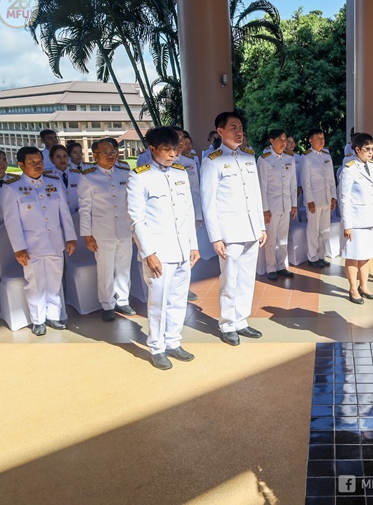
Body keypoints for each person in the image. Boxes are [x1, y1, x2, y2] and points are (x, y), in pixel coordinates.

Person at [127, 127, 199, 369]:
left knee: (179, 300)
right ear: (152, 150)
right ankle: (157, 347)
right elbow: (136, 220)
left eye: (174, 149)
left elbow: (187, 212)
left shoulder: (180, 173)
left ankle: (173, 341)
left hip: (181, 251)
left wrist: (193, 245)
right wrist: (149, 254)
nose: (172, 155)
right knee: (158, 302)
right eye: (166, 150)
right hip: (158, 252)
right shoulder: (140, 176)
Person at [200, 112, 266, 346]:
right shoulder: (212, 161)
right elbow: (208, 202)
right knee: (229, 279)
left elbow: (256, 195)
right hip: (229, 233)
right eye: (233, 127)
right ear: (220, 132)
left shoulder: (249, 157)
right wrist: (215, 237)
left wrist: (261, 226)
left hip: (250, 230)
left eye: (241, 127)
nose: (239, 132)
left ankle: (241, 321)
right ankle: (227, 324)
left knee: (247, 278)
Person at [2, 146, 77, 336]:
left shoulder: (53, 183)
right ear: (20, 165)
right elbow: (12, 223)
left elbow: (64, 213)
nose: (37, 165)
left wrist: (70, 237)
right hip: (31, 246)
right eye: (32, 163)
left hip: (55, 242)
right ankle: (38, 320)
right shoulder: (13, 188)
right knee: (34, 283)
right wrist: (19, 248)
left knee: (53, 281)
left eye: (40, 162)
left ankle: (53, 316)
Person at [77, 139, 135, 322]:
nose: (111, 156)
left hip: (125, 229)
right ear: (95, 155)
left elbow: (132, 203)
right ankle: (108, 304)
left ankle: (123, 299)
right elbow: (84, 209)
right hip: (102, 232)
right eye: (106, 153)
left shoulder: (125, 173)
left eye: (114, 152)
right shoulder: (88, 177)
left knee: (124, 268)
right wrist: (87, 236)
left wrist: (134, 229)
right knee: (105, 270)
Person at [339, 133, 373, 304]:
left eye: (372, 148)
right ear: (357, 150)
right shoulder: (349, 169)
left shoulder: (372, 167)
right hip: (356, 221)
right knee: (353, 255)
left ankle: (364, 286)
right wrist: (347, 224)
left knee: (366, 255)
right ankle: (352, 288)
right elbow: (345, 198)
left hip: (370, 219)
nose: (371, 152)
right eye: (367, 149)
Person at [257, 129, 297, 281]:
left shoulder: (289, 159)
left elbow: (293, 184)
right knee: (271, 238)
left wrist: (294, 204)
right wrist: (265, 209)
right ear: (271, 141)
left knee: (283, 237)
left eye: (285, 139)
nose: (283, 142)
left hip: (286, 204)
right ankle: (271, 267)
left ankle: (282, 265)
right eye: (280, 140)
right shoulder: (264, 160)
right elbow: (262, 186)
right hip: (271, 206)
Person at [300, 128, 337, 268]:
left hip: (327, 198)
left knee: (325, 229)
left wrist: (333, 197)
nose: (322, 141)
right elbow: (306, 181)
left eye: (323, 138)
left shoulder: (327, 155)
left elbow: (331, 178)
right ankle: (312, 257)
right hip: (314, 200)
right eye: (318, 139)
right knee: (313, 230)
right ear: (310, 141)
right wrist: (309, 200)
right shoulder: (306, 157)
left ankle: (322, 255)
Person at [49, 144, 81, 213]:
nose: (62, 159)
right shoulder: (47, 177)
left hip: (77, 215)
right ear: (51, 158)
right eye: (58, 157)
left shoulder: (78, 174)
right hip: (58, 217)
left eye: (65, 156)